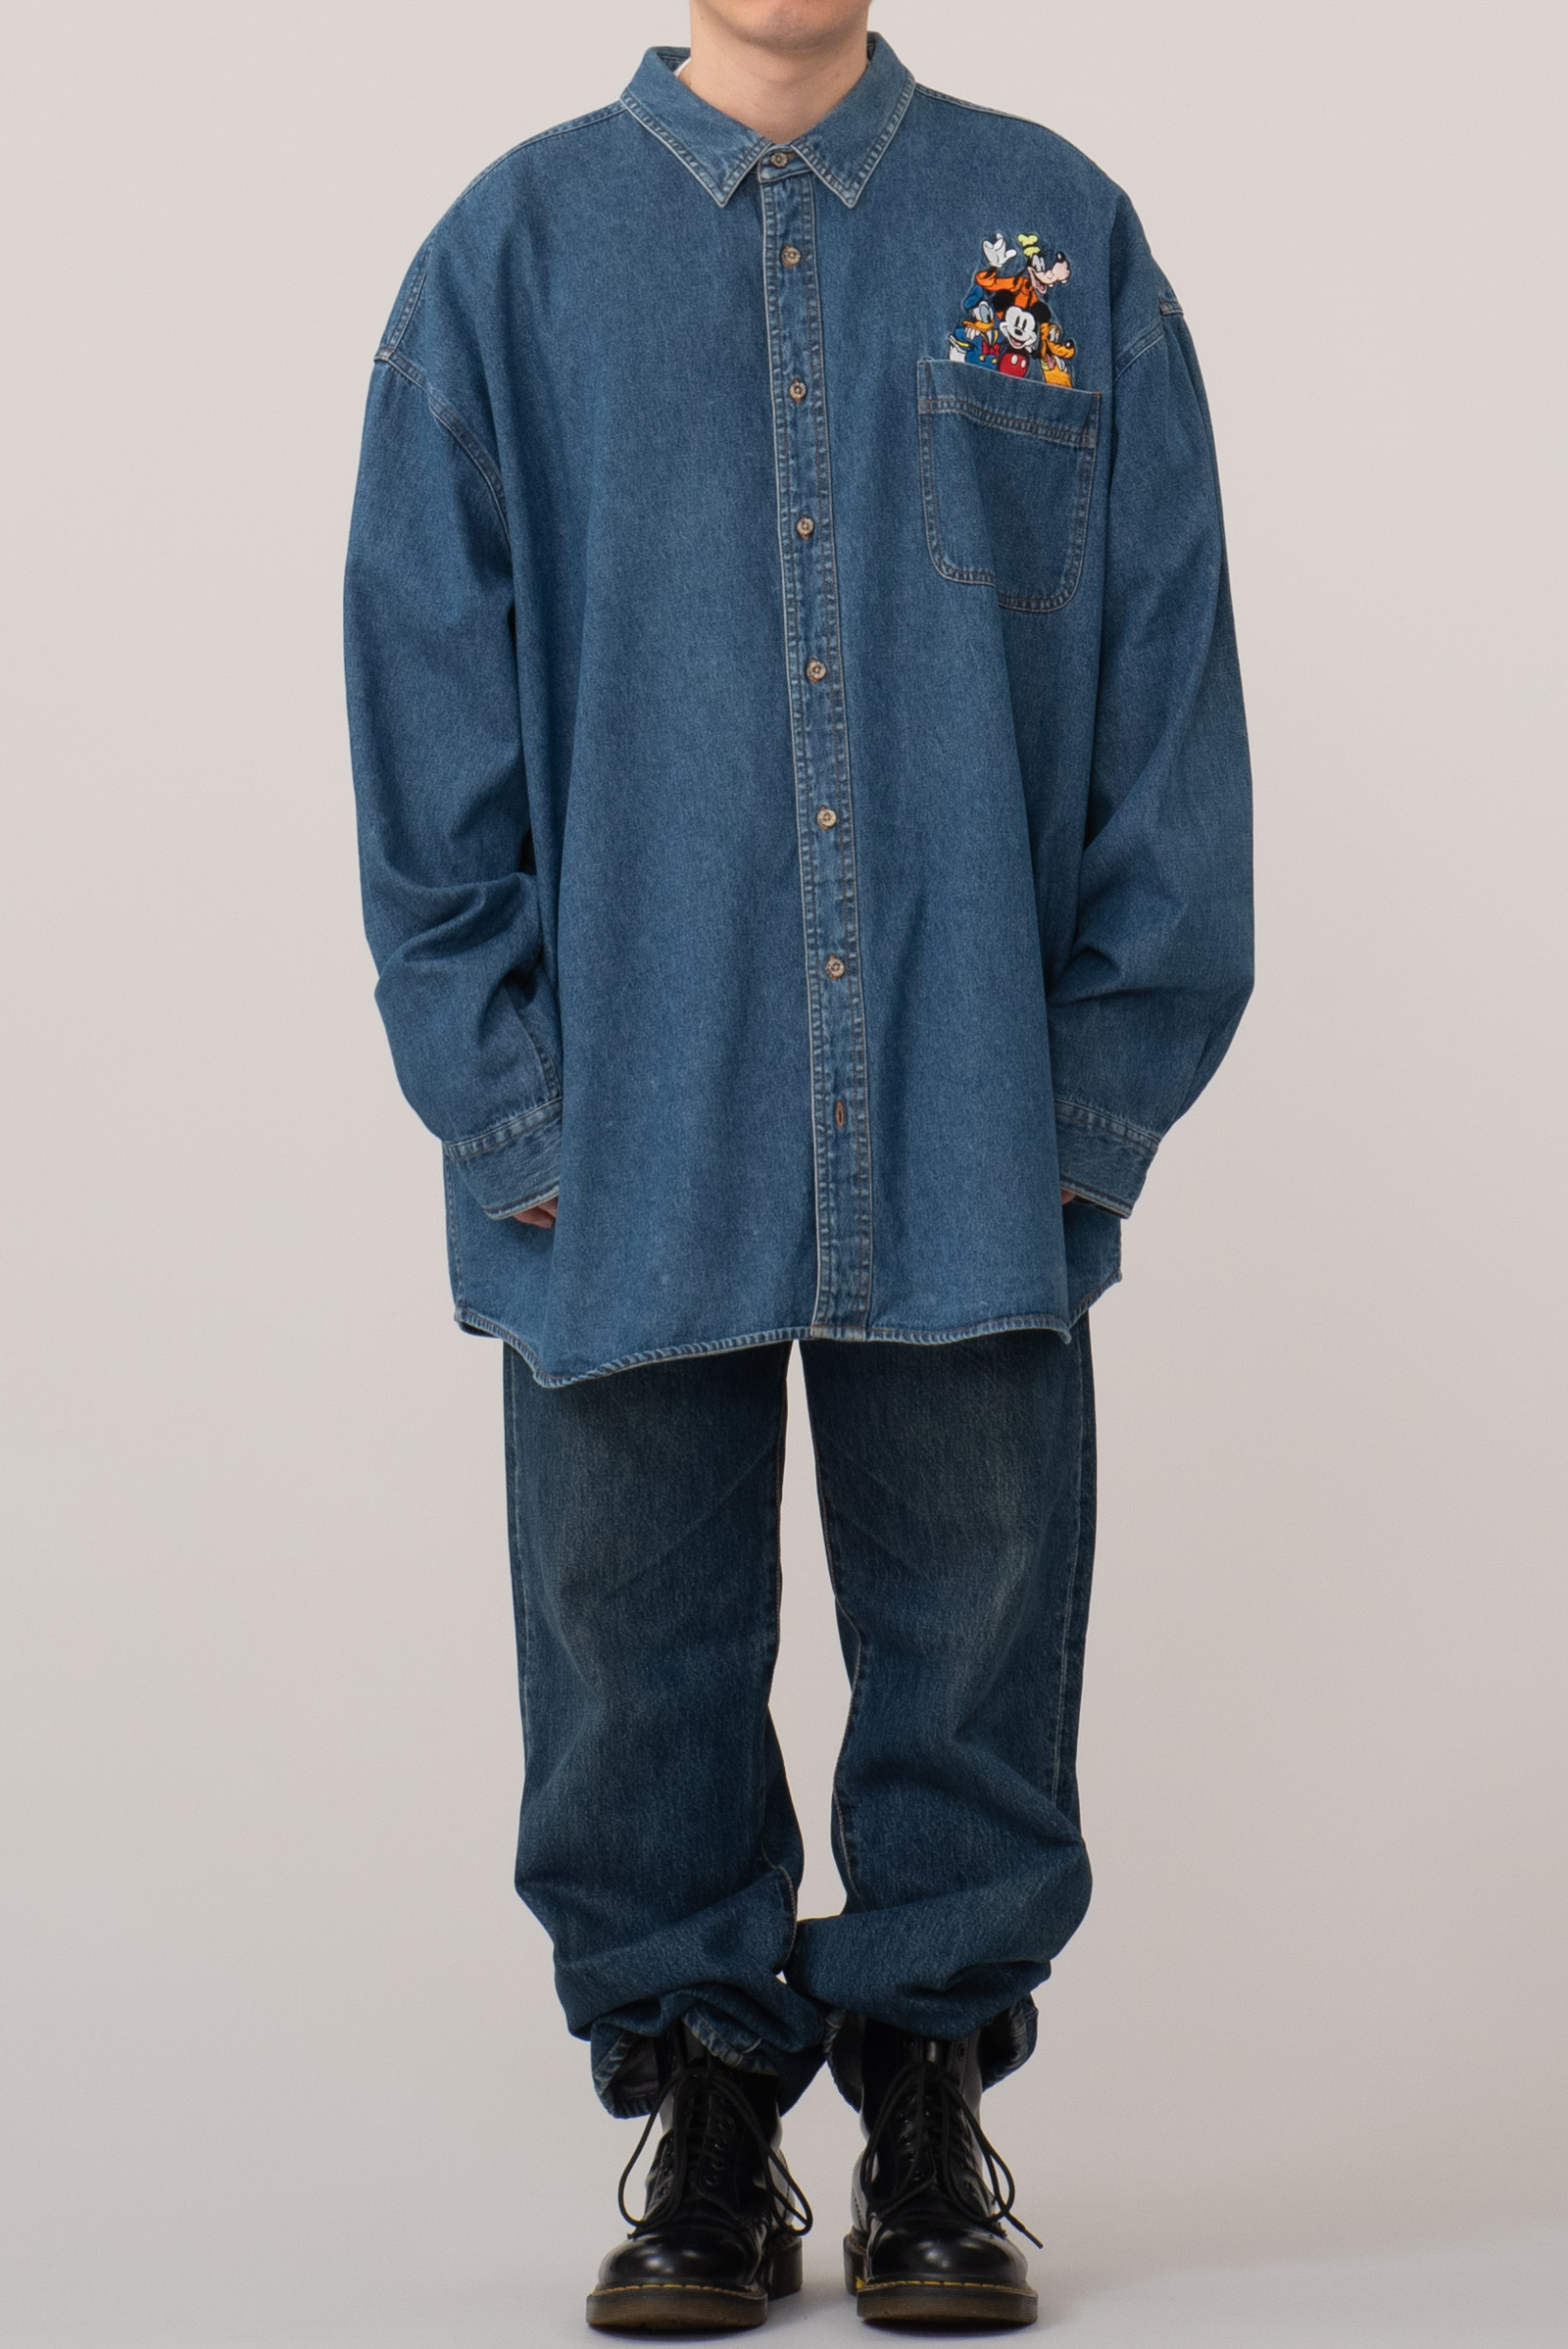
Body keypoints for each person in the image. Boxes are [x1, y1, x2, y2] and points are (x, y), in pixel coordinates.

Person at [343, 0, 1252, 2329]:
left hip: (967, 1101)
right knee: (625, 1637)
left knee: (975, 1618)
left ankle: (929, 2093)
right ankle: (707, 2107)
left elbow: (1161, 688)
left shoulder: (1046, 236)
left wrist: (1090, 1100)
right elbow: (424, 713)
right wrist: (507, 1103)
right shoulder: (511, 259)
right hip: (618, 1118)